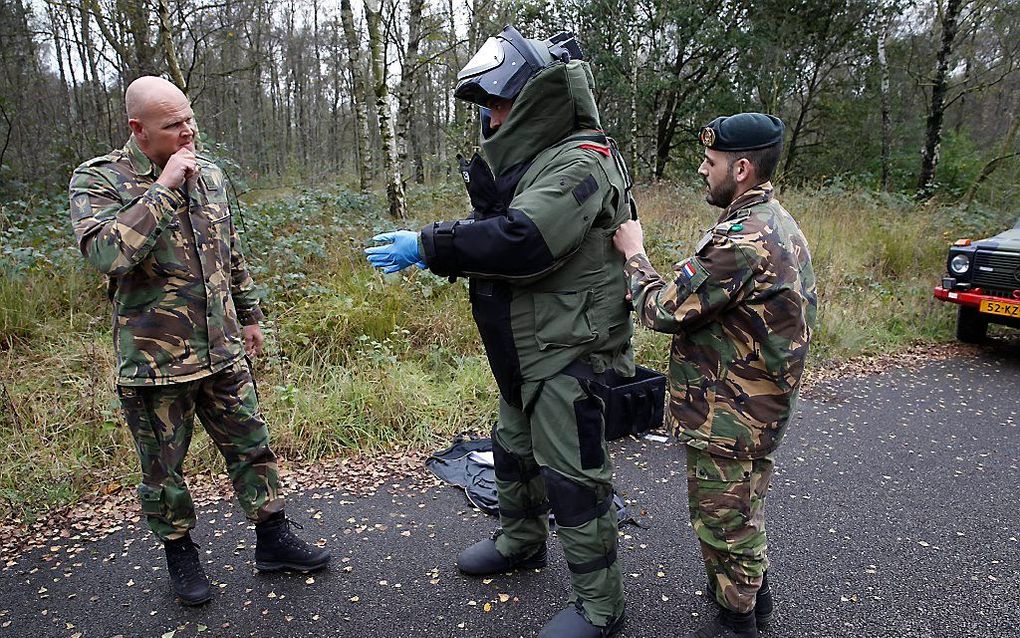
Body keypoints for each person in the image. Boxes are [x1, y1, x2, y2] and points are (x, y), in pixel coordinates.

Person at [366, 26, 635, 638]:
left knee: (575, 480)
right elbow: (501, 226)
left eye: (498, 102)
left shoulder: (580, 161)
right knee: (513, 454)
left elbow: (526, 239)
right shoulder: (535, 160)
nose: (489, 116)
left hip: (571, 348)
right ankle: (521, 540)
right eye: (484, 104)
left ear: (536, 101)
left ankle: (602, 607)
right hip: (527, 344)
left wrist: (431, 244)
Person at [68, 76, 330, 606]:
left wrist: (250, 314)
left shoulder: (209, 173)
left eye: (189, 118)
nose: (188, 131)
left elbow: (228, 252)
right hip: (156, 361)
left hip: (223, 346)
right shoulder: (100, 178)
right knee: (164, 468)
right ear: (138, 130)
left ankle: (273, 539)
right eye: (173, 125)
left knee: (251, 445)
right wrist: (163, 188)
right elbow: (106, 256)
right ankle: (180, 555)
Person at [611, 113, 817, 638]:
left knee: (725, 520)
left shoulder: (743, 237)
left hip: (733, 411)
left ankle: (737, 622)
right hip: (751, 401)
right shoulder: (772, 219)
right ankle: (752, 597)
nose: (703, 171)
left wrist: (635, 254)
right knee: (741, 510)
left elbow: (665, 309)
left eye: (711, 162)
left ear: (742, 168)